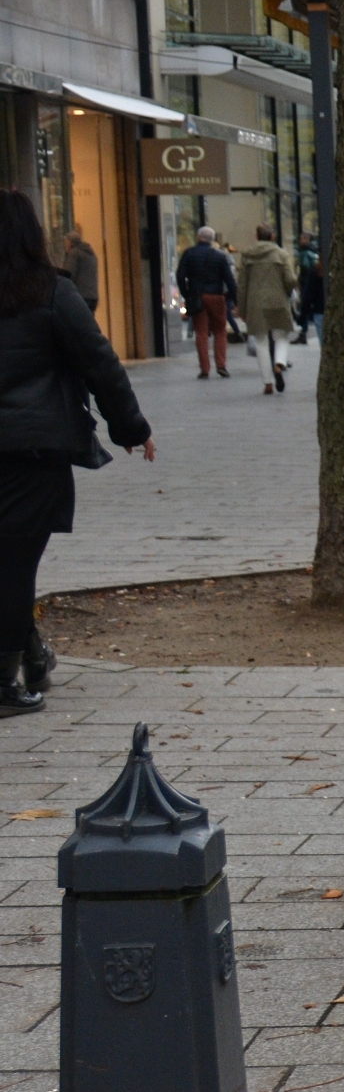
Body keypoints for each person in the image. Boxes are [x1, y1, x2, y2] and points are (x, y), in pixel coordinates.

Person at [0, 189, 153, 717]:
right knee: (15, 564)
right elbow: (100, 362)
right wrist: (130, 428)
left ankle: (34, 656)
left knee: (8, 566)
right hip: (32, 452)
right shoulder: (51, 292)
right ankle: (4, 683)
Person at [237, 223, 297, 395]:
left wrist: (242, 309)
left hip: (255, 303)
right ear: (273, 236)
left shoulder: (247, 256)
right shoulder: (281, 254)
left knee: (261, 342)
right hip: (278, 300)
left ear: (257, 237)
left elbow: (242, 285)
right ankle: (279, 363)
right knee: (282, 336)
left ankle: (268, 382)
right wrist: (286, 291)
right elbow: (291, 279)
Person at [174, 225, 236, 378]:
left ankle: (204, 369)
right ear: (212, 240)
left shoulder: (189, 254)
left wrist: (186, 294)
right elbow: (229, 279)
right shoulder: (220, 256)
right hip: (216, 296)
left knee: (201, 333)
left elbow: (180, 276)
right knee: (220, 331)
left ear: (198, 237)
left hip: (197, 297)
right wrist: (234, 298)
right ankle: (221, 365)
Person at [62, 224, 99, 315]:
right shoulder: (90, 253)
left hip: (80, 296)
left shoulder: (75, 254)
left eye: (66, 242)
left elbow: (69, 275)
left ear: (70, 243)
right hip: (92, 297)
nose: (65, 245)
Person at [291, 232, 317, 343]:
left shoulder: (305, 253)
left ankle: (303, 333)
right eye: (301, 238)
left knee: (304, 308)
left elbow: (304, 268)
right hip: (312, 283)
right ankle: (303, 333)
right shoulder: (313, 251)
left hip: (306, 283)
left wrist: (301, 282)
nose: (302, 240)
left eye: (304, 238)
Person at [297, 250, 324, 346]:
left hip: (320, 311)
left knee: (324, 345)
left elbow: (308, 296)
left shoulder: (316, 271)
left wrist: (302, 316)